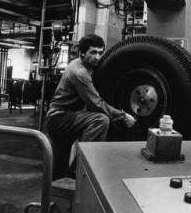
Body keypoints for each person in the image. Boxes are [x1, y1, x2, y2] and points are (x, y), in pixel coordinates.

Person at [46, 34, 136, 179]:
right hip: (59, 119)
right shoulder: (80, 72)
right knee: (100, 120)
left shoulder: (83, 65)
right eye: (93, 52)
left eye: (100, 53)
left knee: (59, 172)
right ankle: (82, 168)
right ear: (82, 53)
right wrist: (123, 115)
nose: (98, 57)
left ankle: (60, 190)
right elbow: (96, 103)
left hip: (69, 116)